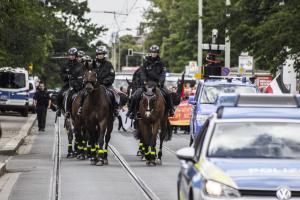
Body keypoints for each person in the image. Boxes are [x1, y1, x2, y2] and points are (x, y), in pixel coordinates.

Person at [126, 45, 174, 119]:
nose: (154, 53)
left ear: (158, 53)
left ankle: (171, 110)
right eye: (152, 52)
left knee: (168, 94)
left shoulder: (161, 63)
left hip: (158, 84)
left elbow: (163, 74)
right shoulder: (146, 62)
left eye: (155, 52)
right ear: (150, 53)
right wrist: (144, 81)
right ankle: (132, 111)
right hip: (146, 84)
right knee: (135, 95)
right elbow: (142, 72)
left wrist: (160, 82)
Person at [78, 46, 119, 116]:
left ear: (104, 55)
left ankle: (115, 109)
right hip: (94, 85)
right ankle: (81, 107)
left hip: (106, 85)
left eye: (101, 54)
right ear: (96, 55)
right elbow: (88, 72)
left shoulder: (109, 64)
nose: (100, 55)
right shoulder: (92, 63)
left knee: (113, 94)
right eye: (99, 54)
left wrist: (105, 82)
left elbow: (112, 75)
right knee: (83, 93)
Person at [56, 47, 84, 117]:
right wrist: (67, 76)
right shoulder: (65, 65)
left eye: (73, 55)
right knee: (60, 94)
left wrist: (78, 82)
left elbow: (82, 75)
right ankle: (59, 109)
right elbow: (62, 74)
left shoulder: (80, 65)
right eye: (70, 55)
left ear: (76, 56)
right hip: (68, 84)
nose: (71, 56)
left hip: (79, 84)